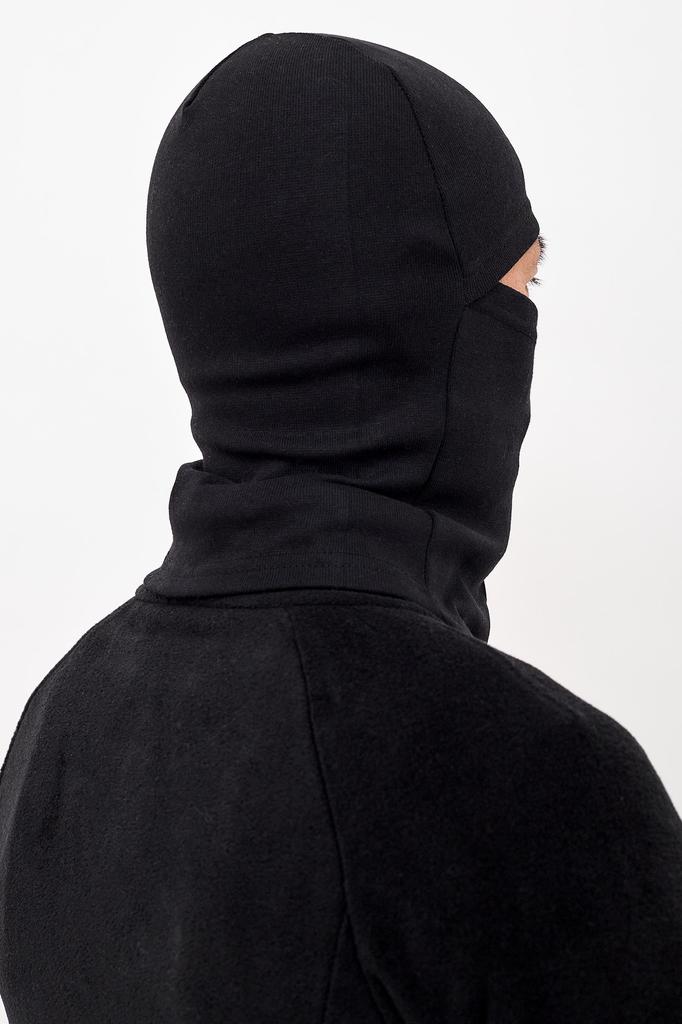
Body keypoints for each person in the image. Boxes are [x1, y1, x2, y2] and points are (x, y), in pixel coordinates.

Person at [1, 31, 680, 1024]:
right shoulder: (538, 783)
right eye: (521, 288)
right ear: (411, 315)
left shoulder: (53, 731)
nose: (529, 328)